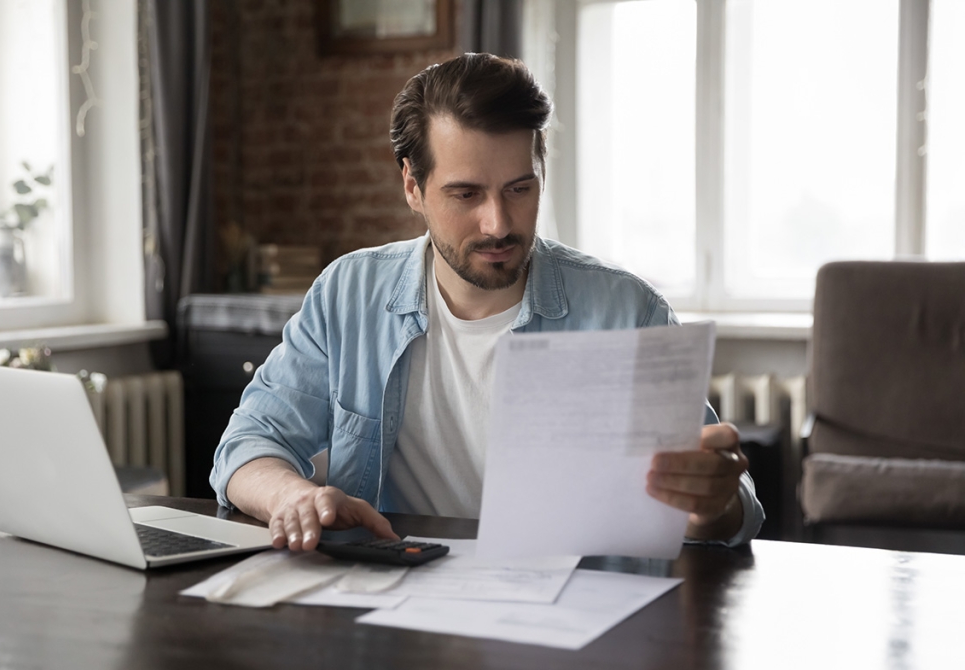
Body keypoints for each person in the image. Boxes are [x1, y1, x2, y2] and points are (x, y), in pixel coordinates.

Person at [211, 53, 764, 552]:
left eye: (519, 189)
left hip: (576, 617)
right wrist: (291, 496)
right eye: (466, 194)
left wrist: (711, 503)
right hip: (395, 608)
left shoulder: (628, 311)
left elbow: (731, 510)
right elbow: (248, 444)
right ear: (412, 186)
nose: (498, 223)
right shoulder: (347, 295)